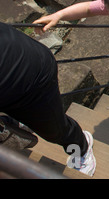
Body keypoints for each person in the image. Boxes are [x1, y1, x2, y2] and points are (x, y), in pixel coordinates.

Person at [0, 22, 96, 176]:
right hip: (11, 75)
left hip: (31, 76)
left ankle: (82, 147)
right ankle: (21, 122)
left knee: (56, 131)